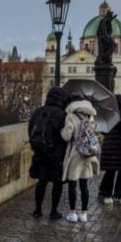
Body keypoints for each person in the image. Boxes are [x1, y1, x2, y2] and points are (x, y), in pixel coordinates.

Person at [28, 87, 69, 218]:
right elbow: (64, 135)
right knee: (57, 183)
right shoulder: (61, 114)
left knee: (41, 182)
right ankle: (53, 211)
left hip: (40, 152)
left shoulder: (38, 111)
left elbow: (31, 129)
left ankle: (38, 210)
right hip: (56, 154)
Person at [60, 98, 99, 223]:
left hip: (75, 155)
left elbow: (66, 136)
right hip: (87, 155)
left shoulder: (71, 116)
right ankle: (84, 214)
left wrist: (62, 130)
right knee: (84, 186)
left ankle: (72, 213)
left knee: (72, 185)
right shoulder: (90, 116)